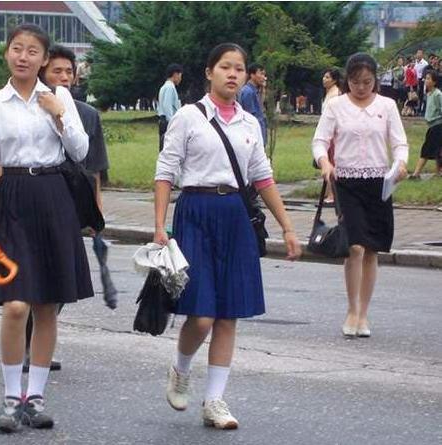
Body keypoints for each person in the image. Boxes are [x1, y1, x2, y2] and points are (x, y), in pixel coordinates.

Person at [154, 43, 301, 430]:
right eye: (225, 67)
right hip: (196, 212)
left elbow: (263, 177)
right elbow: (165, 171)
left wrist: (287, 226)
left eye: (239, 68)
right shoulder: (188, 116)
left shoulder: (250, 122)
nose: (233, 74)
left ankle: (215, 400)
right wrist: (158, 226)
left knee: (229, 314)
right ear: (209, 72)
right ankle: (180, 369)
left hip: (235, 213)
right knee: (201, 315)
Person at [0, 24, 92, 433]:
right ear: (7, 54)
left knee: (47, 304)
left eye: (32, 51)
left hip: (54, 196)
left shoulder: (58, 98)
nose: (23, 56)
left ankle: (34, 399)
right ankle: (10, 399)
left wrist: (59, 116)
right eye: (17, 49)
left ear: (43, 59)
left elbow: (80, 151)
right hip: (13, 199)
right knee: (16, 304)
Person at [19, 44, 116, 373]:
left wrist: (96, 213)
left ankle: (37, 343)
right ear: (44, 72)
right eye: (56, 71)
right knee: (32, 274)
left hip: (72, 201)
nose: (62, 77)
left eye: (68, 72)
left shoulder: (86, 114)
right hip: (35, 198)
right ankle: (29, 343)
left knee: (61, 278)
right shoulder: (29, 107)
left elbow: (95, 167)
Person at [312, 53, 409, 339]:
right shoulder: (336, 106)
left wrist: (401, 164)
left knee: (371, 249)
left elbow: (400, 143)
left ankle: (364, 313)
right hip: (347, 183)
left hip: (379, 184)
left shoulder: (387, 106)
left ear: (375, 80)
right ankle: (351, 309)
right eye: (356, 82)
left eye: (367, 82)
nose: (362, 87)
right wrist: (325, 162)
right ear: (347, 81)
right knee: (354, 246)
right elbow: (319, 140)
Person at [410, 71, 442, 179]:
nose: (426, 81)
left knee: (426, 150)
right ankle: (438, 173)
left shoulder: (438, 94)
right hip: (432, 125)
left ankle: (416, 174)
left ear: (434, 82)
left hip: (437, 126)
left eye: (429, 79)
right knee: (438, 150)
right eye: (425, 78)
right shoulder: (428, 94)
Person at [320, 68, 342, 204]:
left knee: (331, 163)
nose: (324, 79)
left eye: (327, 77)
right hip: (327, 132)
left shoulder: (335, 94)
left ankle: (332, 194)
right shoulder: (329, 93)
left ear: (334, 80)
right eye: (324, 77)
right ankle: (329, 192)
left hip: (333, 134)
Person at [238, 63, 268, 146]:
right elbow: (250, 117)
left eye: (264, 75)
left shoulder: (255, 91)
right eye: (261, 74)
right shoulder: (248, 92)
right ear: (252, 75)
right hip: (253, 137)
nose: (263, 77)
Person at [157, 63, 183, 151]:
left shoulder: (164, 87)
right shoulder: (170, 87)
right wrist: (172, 123)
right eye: (180, 75)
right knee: (169, 148)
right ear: (175, 74)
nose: (180, 78)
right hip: (168, 122)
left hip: (163, 120)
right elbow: (167, 106)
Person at [415, 49, 429, 116]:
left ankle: (421, 110)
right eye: (417, 53)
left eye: (420, 53)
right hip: (415, 80)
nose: (418, 54)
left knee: (421, 96)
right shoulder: (415, 62)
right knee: (415, 96)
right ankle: (415, 110)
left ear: (422, 54)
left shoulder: (425, 63)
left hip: (422, 81)